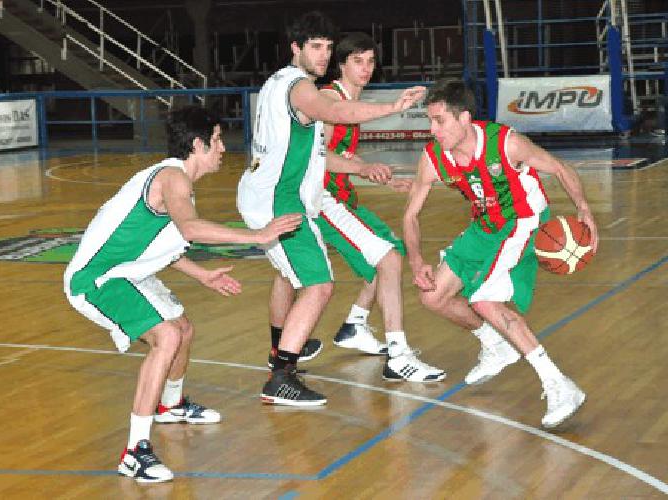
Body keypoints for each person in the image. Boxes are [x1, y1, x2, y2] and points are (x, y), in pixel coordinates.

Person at [63, 106, 303, 482]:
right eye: (218, 139)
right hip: (96, 279)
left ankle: (170, 405)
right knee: (167, 336)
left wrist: (202, 275)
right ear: (198, 144)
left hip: (129, 272)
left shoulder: (176, 181)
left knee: (183, 329)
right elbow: (190, 229)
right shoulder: (173, 177)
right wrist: (257, 236)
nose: (223, 148)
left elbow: (168, 245)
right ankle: (134, 451)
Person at [237, 11, 428, 405]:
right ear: (296, 48)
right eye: (316, 47)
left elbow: (322, 154)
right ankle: (281, 376)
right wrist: (395, 106)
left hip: (276, 193)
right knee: (320, 284)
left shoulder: (278, 82)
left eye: (327, 47)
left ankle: (282, 353)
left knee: (294, 277)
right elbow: (336, 113)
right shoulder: (301, 87)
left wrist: (368, 170)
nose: (323, 55)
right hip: (279, 198)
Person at [402, 79, 600, 429]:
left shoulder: (505, 143)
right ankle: (495, 344)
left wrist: (583, 208)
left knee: (484, 301)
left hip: (523, 220)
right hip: (486, 225)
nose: (433, 130)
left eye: (439, 121)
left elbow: (558, 167)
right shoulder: (433, 158)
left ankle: (559, 384)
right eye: (429, 121)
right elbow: (410, 215)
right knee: (433, 296)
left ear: (464, 118)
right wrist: (417, 261)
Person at [267, 32, 446, 383]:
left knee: (289, 273)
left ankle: (334, 332)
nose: (365, 68)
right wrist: (363, 168)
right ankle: (394, 352)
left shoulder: (346, 99)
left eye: (370, 61)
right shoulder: (330, 101)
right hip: (322, 200)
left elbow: (340, 155)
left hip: (324, 197)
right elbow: (318, 159)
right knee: (390, 258)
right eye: (357, 61)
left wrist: (378, 176)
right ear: (342, 65)